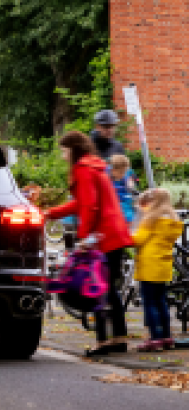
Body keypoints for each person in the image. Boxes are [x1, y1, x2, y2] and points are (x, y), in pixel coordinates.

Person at [46, 132, 134, 355]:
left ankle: (104, 341)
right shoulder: (94, 166)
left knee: (97, 289)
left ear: (73, 149)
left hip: (103, 235)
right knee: (109, 288)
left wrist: (85, 238)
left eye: (64, 151)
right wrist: (51, 213)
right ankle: (119, 338)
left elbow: (90, 206)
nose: (62, 155)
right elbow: (82, 202)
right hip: (114, 233)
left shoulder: (83, 169)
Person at [132, 188, 183, 352]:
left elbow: (138, 240)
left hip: (149, 265)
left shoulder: (151, 219)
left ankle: (155, 338)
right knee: (162, 302)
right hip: (163, 265)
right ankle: (166, 336)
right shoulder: (172, 220)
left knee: (150, 302)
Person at [108, 154, 137, 226]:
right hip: (113, 203)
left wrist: (131, 186)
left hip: (125, 200)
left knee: (129, 219)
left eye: (125, 172)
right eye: (121, 172)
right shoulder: (106, 176)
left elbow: (130, 184)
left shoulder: (125, 175)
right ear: (113, 170)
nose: (123, 174)